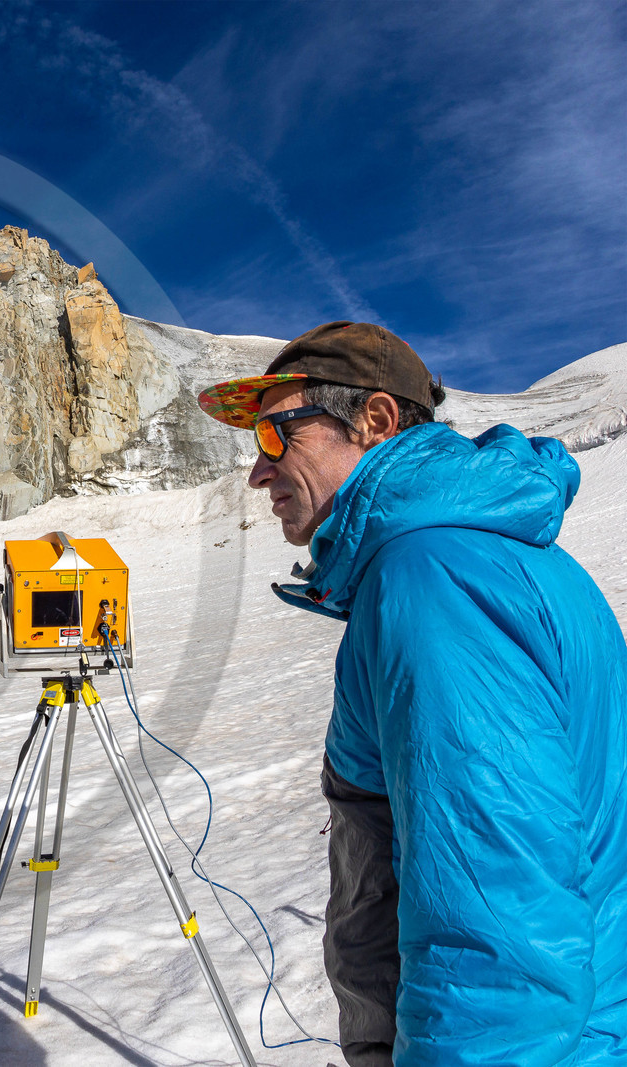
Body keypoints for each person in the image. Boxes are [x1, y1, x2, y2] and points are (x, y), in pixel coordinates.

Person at [198, 322, 627, 1065]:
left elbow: (495, 930)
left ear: (377, 420)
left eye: (276, 436)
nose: (257, 474)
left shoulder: (433, 576)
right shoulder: (486, 550)